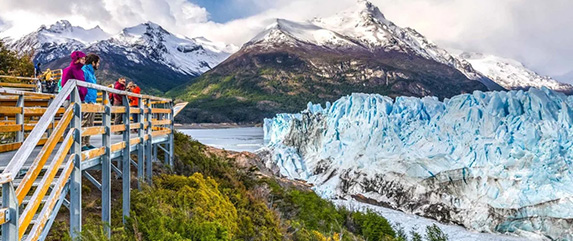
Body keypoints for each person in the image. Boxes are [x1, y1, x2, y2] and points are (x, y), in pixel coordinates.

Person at [81, 53, 100, 150]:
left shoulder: (91, 73)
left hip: (92, 100)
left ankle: (87, 142)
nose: (98, 65)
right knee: (85, 122)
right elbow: (83, 85)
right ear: (93, 62)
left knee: (90, 123)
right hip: (87, 100)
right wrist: (86, 99)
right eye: (98, 63)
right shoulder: (84, 71)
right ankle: (81, 144)